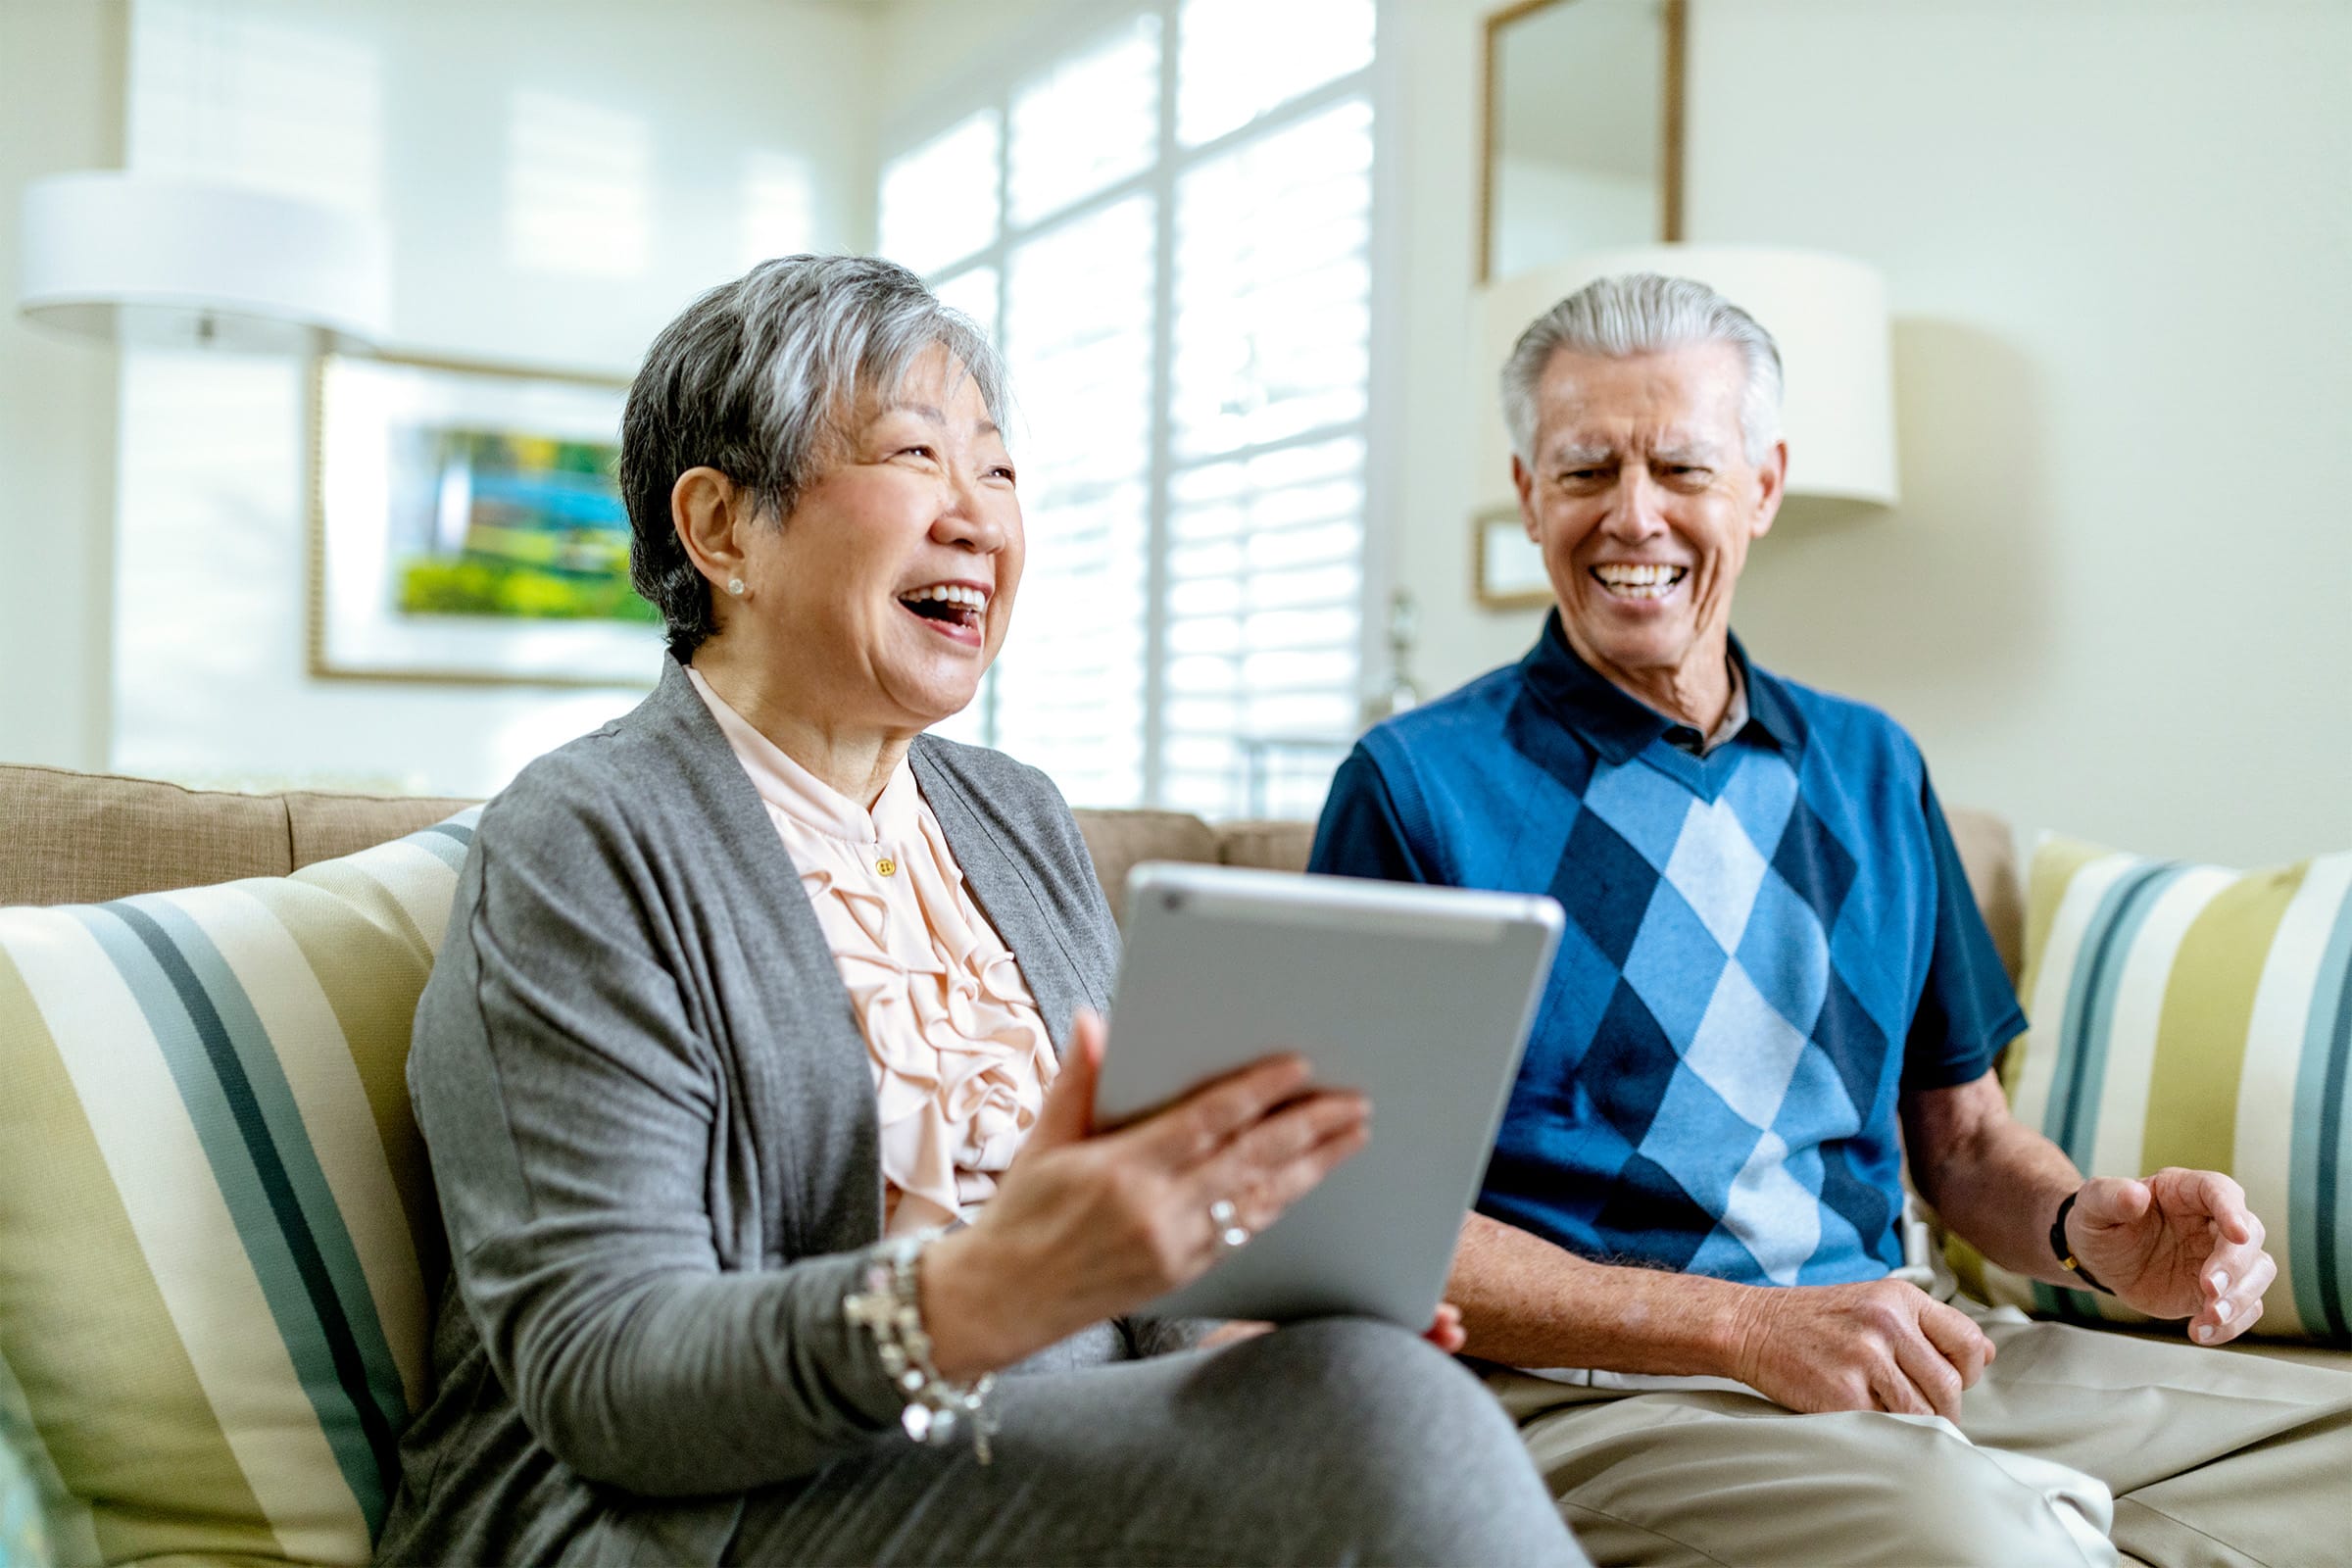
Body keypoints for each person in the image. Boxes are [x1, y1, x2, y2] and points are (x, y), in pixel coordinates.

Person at [374, 256, 1582, 1568]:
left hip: (1030, 1466)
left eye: (1000, 472)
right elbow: (607, 1376)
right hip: (693, 1515)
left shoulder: (1015, 816)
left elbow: (1135, 1277)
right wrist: (981, 1295)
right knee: (1385, 1427)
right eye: (917, 456)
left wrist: (1256, 1341)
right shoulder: (585, 840)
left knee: (1363, 1384)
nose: (981, 518)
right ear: (722, 530)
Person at [1309, 272, 2352, 1567]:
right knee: (1982, 1541)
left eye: (1683, 464)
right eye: (1585, 472)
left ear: (1765, 483)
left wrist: (2098, 1234)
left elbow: (1965, 1149)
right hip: (1597, 1393)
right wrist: (1741, 1331)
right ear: (1527, 495)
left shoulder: (1871, 765)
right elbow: (1356, 1216)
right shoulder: (1416, 789)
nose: (1634, 515)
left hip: (1896, 1339)